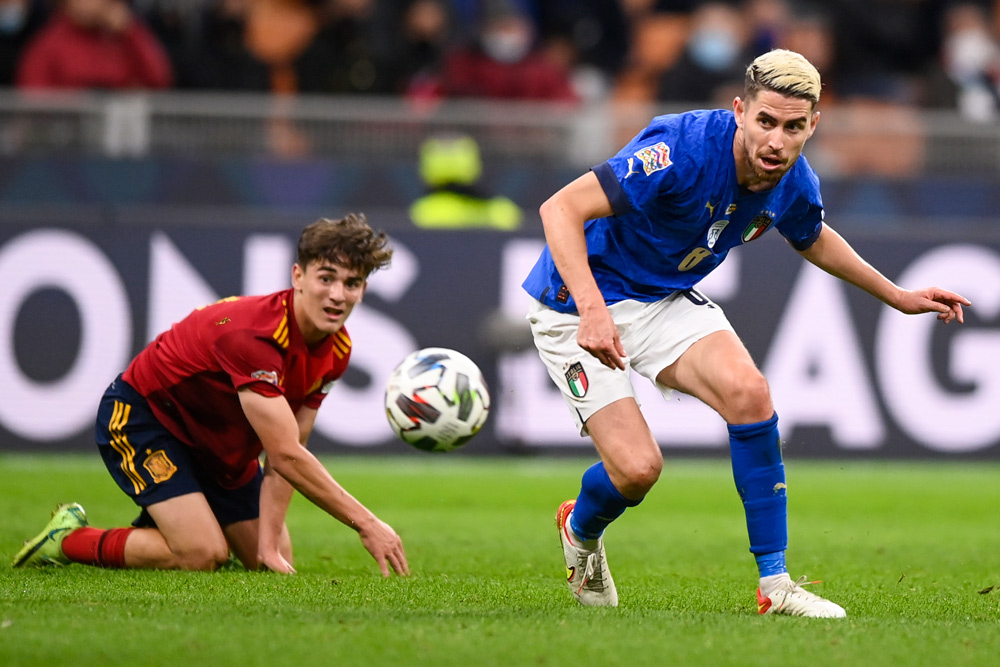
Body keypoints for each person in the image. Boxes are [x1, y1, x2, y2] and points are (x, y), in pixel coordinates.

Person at [521, 49, 971, 617]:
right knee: (637, 471)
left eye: (793, 127)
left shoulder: (794, 180)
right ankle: (580, 530)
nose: (776, 142)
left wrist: (899, 296)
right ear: (739, 111)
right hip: (576, 299)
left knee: (750, 394)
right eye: (765, 122)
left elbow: (815, 238)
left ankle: (775, 584)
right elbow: (560, 208)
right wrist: (590, 310)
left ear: (813, 125)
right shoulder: (678, 149)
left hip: (662, 299)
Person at [13, 214, 409, 578]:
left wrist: (267, 547)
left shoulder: (337, 351)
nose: (337, 294)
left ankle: (174, 525)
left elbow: (287, 456)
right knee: (201, 555)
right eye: (326, 278)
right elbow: (287, 453)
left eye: (351, 283)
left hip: (218, 449)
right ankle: (66, 539)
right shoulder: (254, 336)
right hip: (145, 418)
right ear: (298, 276)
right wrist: (368, 524)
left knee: (269, 561)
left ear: (363, 290)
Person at [15, 0, 172, 90]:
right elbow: (33, 100)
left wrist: (131, 32)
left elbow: (160, 79)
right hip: (67, 140)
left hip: (120, 139)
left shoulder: (127, 36)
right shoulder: (48, 42)